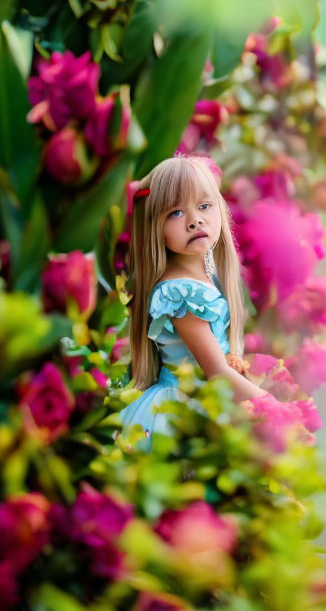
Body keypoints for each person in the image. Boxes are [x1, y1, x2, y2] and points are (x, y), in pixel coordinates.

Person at [118, 154, 292, 451]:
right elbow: (215, 372)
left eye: (203, 206)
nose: (194, 220)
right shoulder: (180, 293)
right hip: (185, 409)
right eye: (175, 213)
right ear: (154, 227)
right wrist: (272, 407)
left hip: (207, 396)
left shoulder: (200, 281)